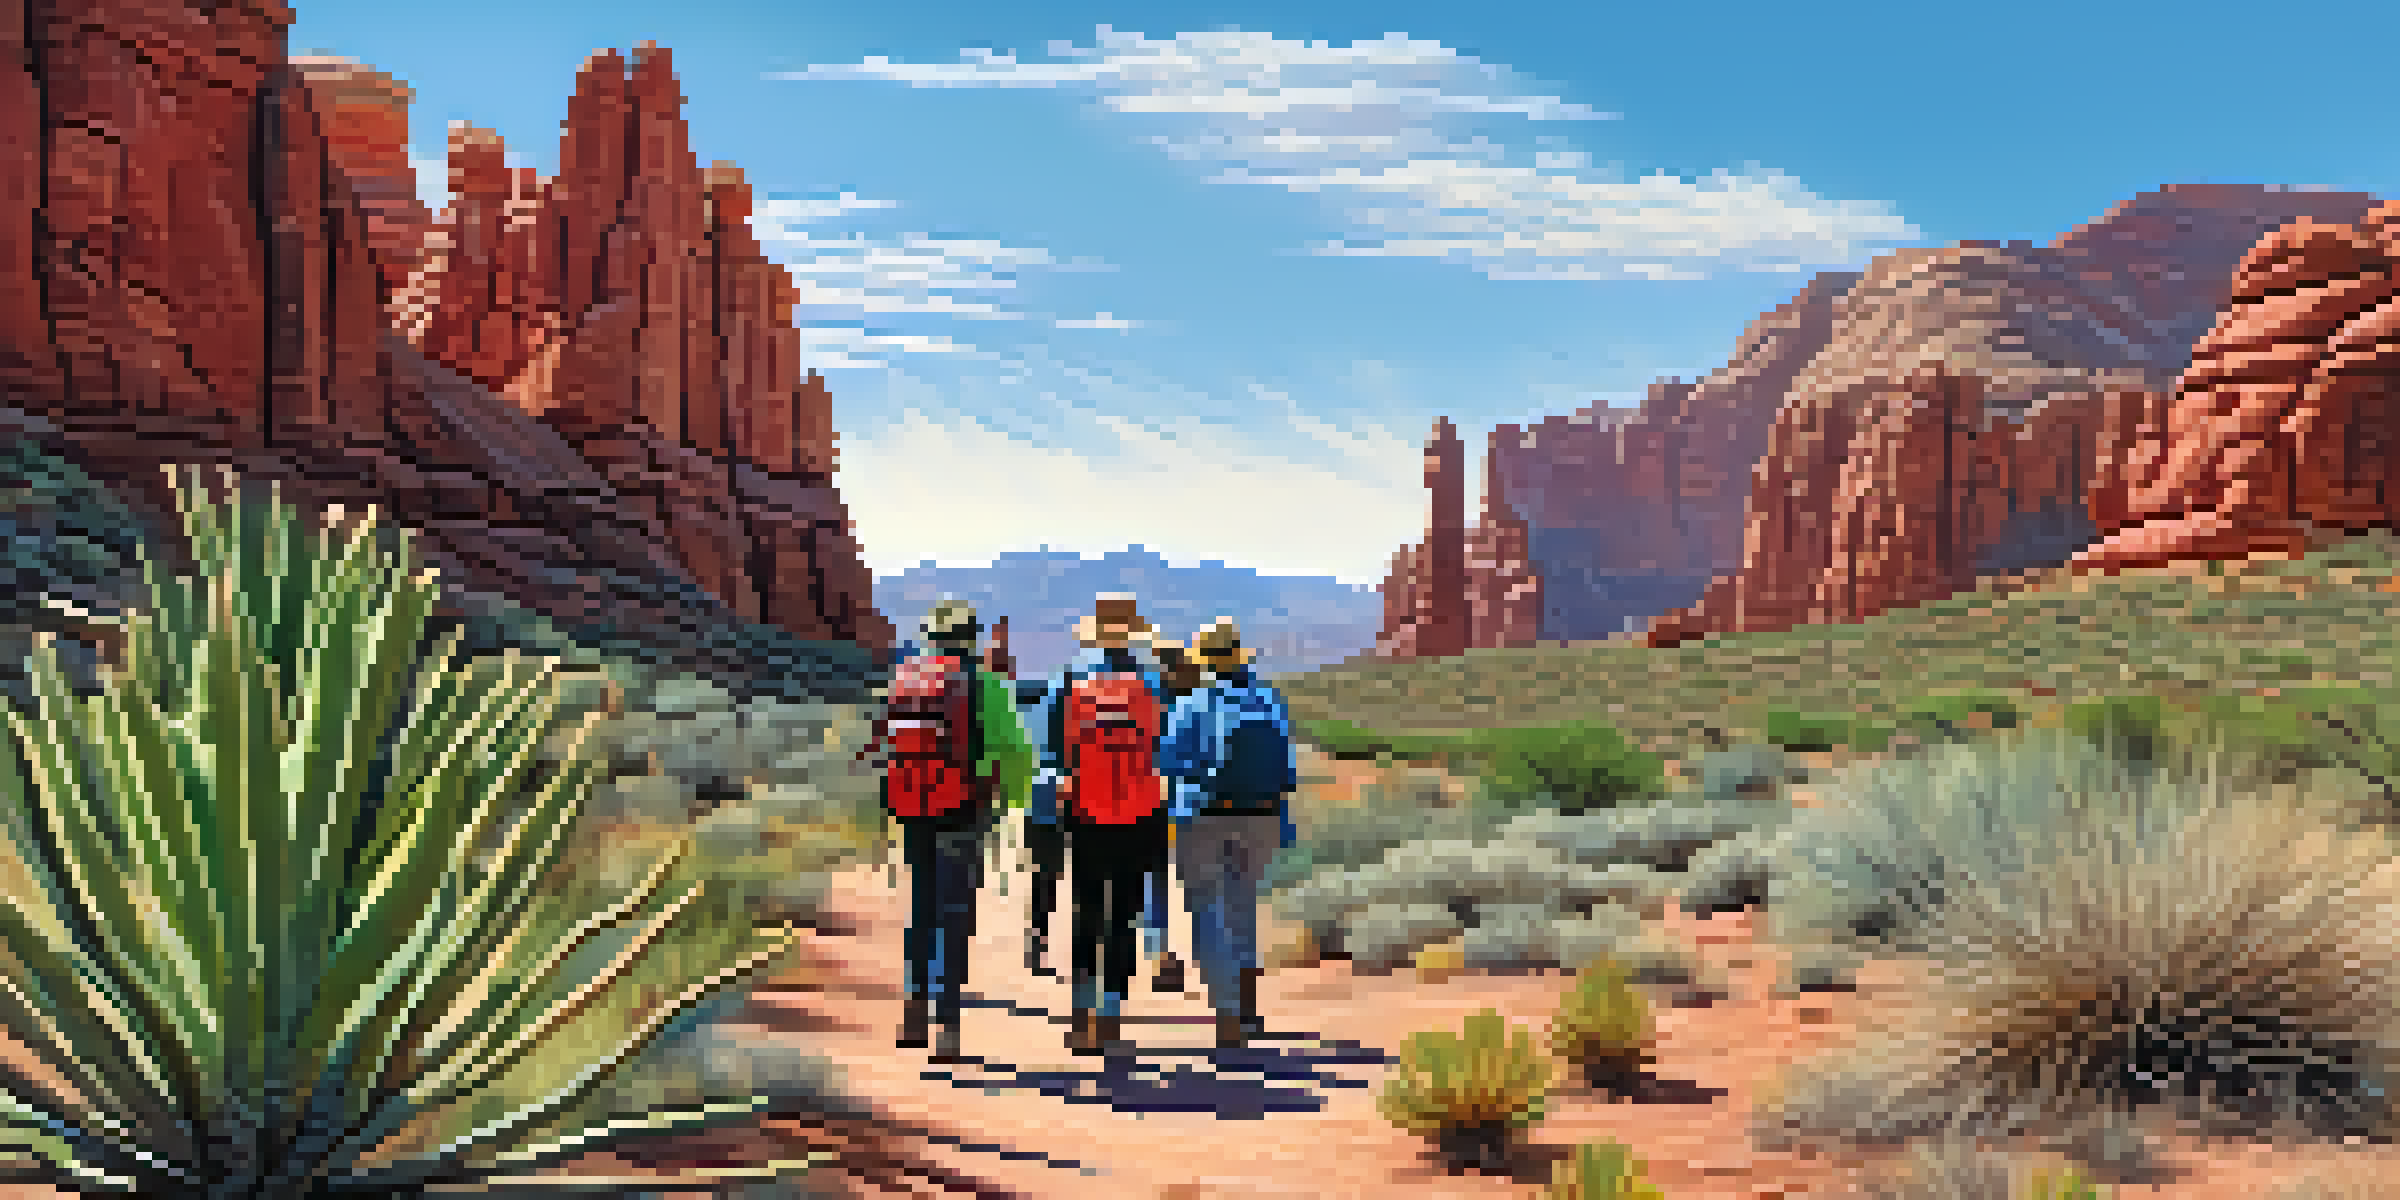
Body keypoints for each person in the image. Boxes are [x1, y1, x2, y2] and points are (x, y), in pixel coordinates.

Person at [869, 598, 1032, 1063]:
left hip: (912, 806)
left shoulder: (906, 677)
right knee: (955, 912)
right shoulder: (985, 684)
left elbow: (885, 742)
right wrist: (1013, 802)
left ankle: (913, 1011)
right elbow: (1015, 751)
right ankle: (947, 1027)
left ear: (931, 637)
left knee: (922, 905)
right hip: (964, 807)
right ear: (970, 638)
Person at [1036, 592, 1173, 1054]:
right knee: (1125, 914)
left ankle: (1080, 1013)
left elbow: (1051, 755)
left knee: (1086, 909)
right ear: (1132, 635)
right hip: (1141, 811)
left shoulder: (1069, 678)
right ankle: (1110, 1014)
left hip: (1085, 809)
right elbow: (1168, 750)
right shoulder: (1152, 682)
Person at [1158, 617, 1300, 1048]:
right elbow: (1287, 766)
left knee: (1206, 909)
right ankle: (1249, 1009)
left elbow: (1169, 761)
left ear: (1203, 661)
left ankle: (1226, 1011)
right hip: (1261, 815)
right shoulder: (1268, 698)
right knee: (1243, 908)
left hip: (1202, 815)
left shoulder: (1192, 703)